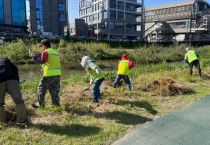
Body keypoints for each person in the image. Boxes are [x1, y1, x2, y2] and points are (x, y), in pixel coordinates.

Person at [29, 39, 61, 108]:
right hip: (57, 74)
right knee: (54, 90)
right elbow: (50, 63)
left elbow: (42, 61)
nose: (41, 48)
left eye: (41, 46)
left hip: (48, 75)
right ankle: (56, 105)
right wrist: (43, 67)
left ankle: (41, 104)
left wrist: (34, 56)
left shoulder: (45, 52)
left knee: (41, 89)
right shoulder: (55, 52)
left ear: (44, 45)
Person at [0, 57, 30, 127]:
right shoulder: (4, 59)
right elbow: (15, 68)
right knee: (19, 101)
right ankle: (22, 122)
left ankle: (2, 122)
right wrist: (16, 80)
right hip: (12, 80)